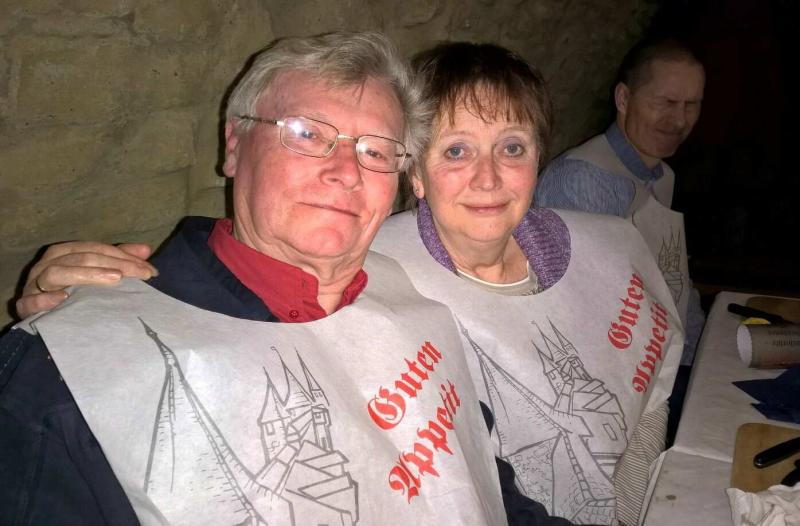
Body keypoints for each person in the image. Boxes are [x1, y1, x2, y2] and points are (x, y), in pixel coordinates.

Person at [14, 41, 684, 525]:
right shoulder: (71, 377)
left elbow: (491, 493)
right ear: (233, 145)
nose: (344, 171)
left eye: (374, 150)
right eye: (307, 134)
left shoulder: (410, 298)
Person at [535, 37, 706, 367]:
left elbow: (672, 275)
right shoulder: (582, 181)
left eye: (691, 105)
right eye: (666, 102)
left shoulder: (662, 176)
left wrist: (704, 351)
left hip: (664, 356)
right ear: (624, 99)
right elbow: (583, 313)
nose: (680, 120)